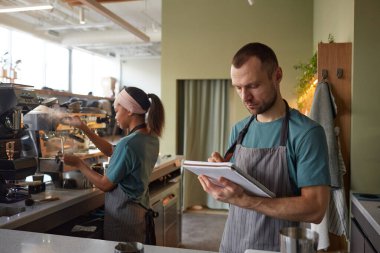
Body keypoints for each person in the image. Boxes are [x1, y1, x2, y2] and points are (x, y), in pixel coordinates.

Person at [198, 42, 331, 252]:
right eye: (238, 87)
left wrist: (247, 200)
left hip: (275, 247)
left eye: (253, 86)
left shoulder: (307, 133)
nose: (245, 97)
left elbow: (315, 208)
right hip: (232, 244)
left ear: (277, 75)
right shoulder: (239, 130)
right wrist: (220, 176)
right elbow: (235, 196)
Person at [62, 86, 165, 243]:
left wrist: (79, 164)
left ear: (129, 110)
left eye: (117, 110)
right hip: (138, 213)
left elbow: (105, 185)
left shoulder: (128, 143)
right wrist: (84, 128)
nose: (115, 116)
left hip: (124, 217)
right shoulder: (150, 138)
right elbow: (112, 150)